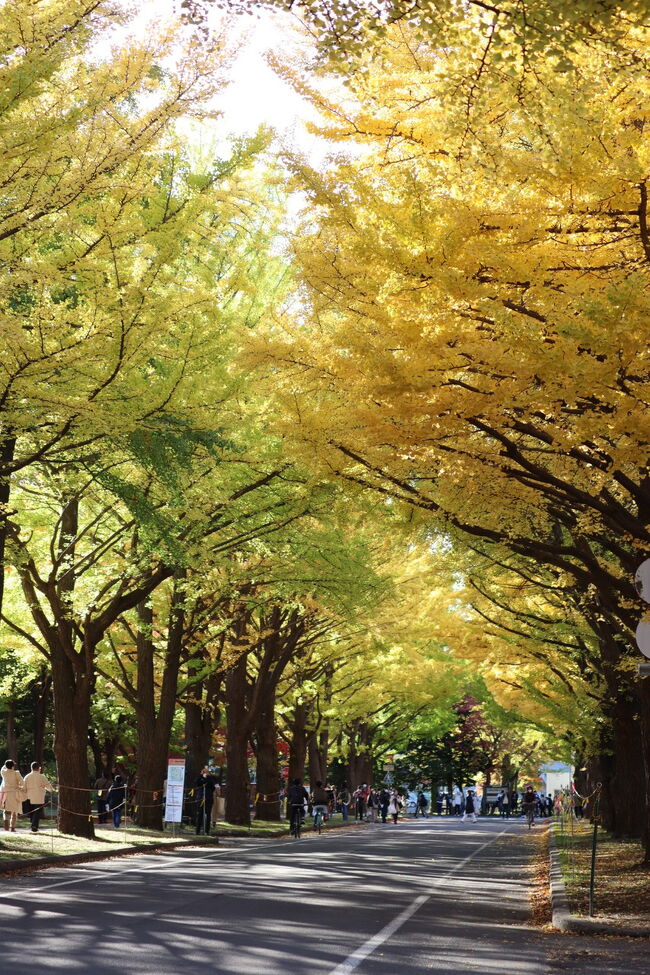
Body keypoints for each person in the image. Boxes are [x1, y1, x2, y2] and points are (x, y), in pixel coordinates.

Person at [23, 762, 53, 834]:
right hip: (39, 797)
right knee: (37, 812)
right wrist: (51, 790)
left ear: (31, 768)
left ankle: (33, 825)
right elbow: (48, 786)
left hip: (29, 797)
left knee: (32, 812)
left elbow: (24, 787)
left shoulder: (27, 776)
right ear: (39, 768)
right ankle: (34, 826)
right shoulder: (42, 776)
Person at [1, 760, 25, 833]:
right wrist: (20, 787)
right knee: (14, 811)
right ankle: (12, 827)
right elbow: (22, 782)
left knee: (6, 810)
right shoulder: (16, 773)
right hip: (15, 793)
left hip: (6, 793)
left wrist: (7, 764)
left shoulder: (3, 772)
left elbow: (3, 767)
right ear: (13, 766)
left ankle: (6, 820)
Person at [195, 767, 217, 835]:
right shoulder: (199, 778)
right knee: (200, 815)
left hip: (208, 799)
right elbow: (197, 783)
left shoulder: (210, 779)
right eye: (204, 772)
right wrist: (202, 777)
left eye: (207, 772)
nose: (205, 773)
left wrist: (207, 778)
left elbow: (213, 787)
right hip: (201, 798)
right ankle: (197, 831)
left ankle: (207, 831)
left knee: (208, 815)